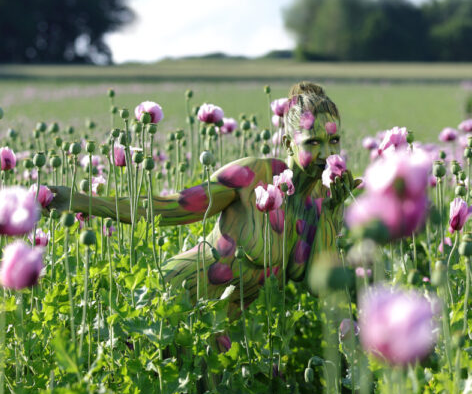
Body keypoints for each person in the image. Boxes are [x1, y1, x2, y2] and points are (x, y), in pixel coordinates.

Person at [48, 82, 357, 316]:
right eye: (313, 142)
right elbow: (170, 208)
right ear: (288, 142)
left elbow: (318, 286)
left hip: (218, 327)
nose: (327, 153)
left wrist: (332, 213)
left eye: (333, 141)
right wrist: (84, 202)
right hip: (170, 303)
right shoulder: (251, 176)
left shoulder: (321, 201)